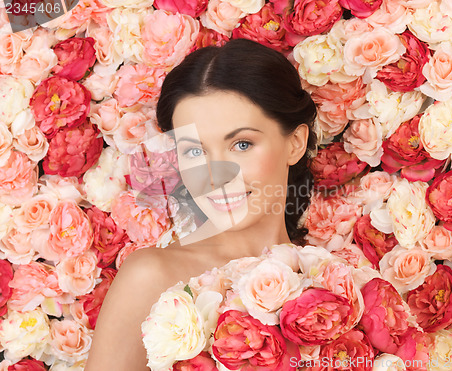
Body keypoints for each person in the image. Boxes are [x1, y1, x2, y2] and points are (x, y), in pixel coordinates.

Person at [84, 38, 317, 370]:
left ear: (295, 143)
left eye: (241, 144)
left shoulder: (330, 285)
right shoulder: (151, 277)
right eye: (194, 151)